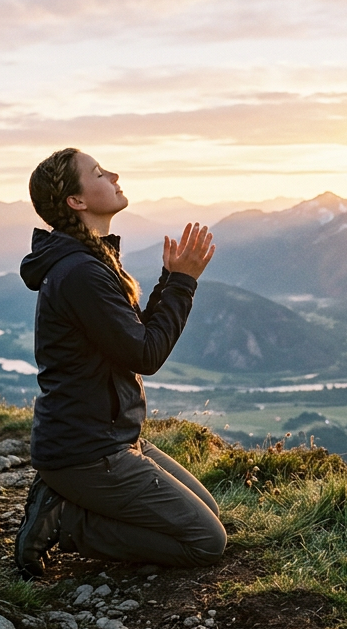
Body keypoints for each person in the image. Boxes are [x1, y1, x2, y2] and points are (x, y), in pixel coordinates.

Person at [14, 147, 225, 576]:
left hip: (109, 440)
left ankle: (65, 501)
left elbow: (134, 338)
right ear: (77, 201)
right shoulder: (81, 272)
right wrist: (183, 283)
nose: (112, 173)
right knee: (206, 541)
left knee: (211, 512)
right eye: (97, 172)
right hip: (87, 452)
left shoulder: (91, 261)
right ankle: (69, 524)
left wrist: (169, 278)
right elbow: (146, 355)